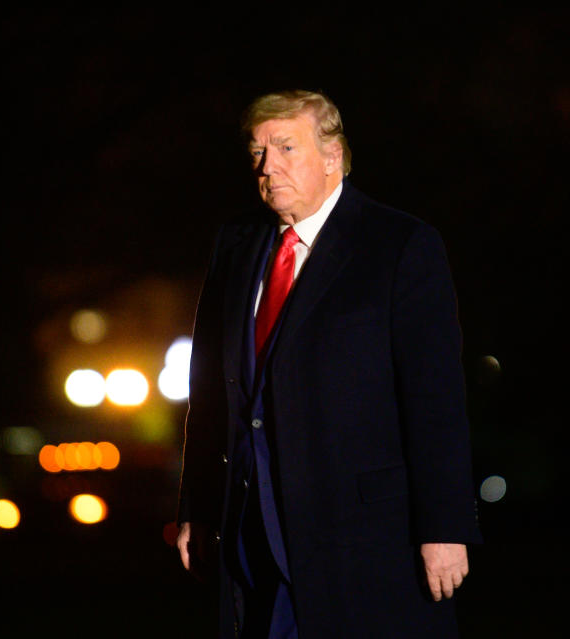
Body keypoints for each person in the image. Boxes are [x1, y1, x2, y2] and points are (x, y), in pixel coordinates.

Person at [176, 89, 482, 639]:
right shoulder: (237, 244)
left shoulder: (399, 245)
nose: (267, 167)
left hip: (361, 540)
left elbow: (434, 400)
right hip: (249, 534)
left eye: (286, 148)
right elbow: (210, 393)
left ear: (333, 157)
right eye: (257, 152)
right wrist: (197, 509)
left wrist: (444, 526)